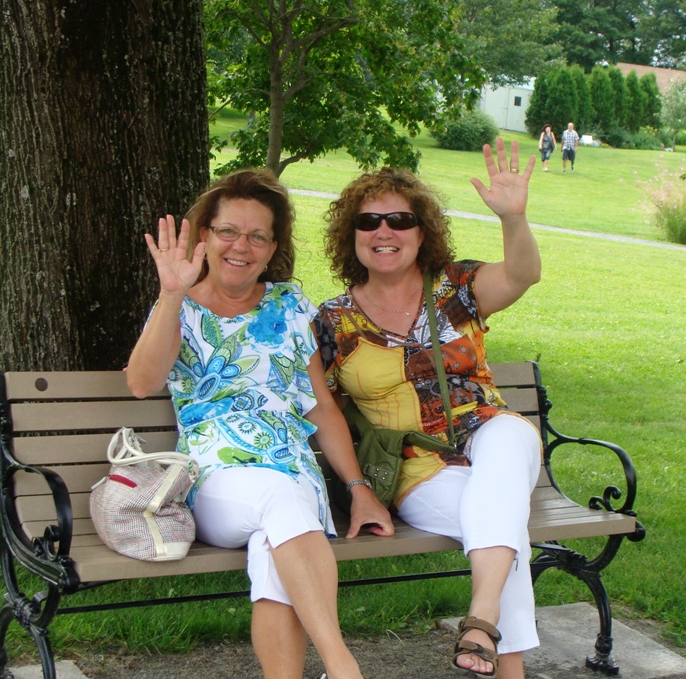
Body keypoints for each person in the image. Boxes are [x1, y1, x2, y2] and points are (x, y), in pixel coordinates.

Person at [126, 170, 394, 679]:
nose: (240, 246)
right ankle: (342, 666)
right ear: (204, 236)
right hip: (216, 480)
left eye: (257, 236)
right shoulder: (179, 306)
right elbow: (141, 382)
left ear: (272, 249)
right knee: (280, 500)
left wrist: (358, 488)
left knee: (275, 548)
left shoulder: (289, 306)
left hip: (295, 477)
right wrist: (171, 294)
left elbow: (321, 407)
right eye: (228, 231)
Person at [313, 138, 543, 679]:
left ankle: (481, 619)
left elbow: (522, 274)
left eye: (400, 220)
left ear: (423, 233)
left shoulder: (456, 289)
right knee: (505, 526)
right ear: (351, 235)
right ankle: (495, 647)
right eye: (369, 221)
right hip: (417, 469)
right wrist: (358, 489)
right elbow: (323, 410)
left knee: (509, 442)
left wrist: (513, 217)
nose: (384, 232)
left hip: (490, 434)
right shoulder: (333, 322)